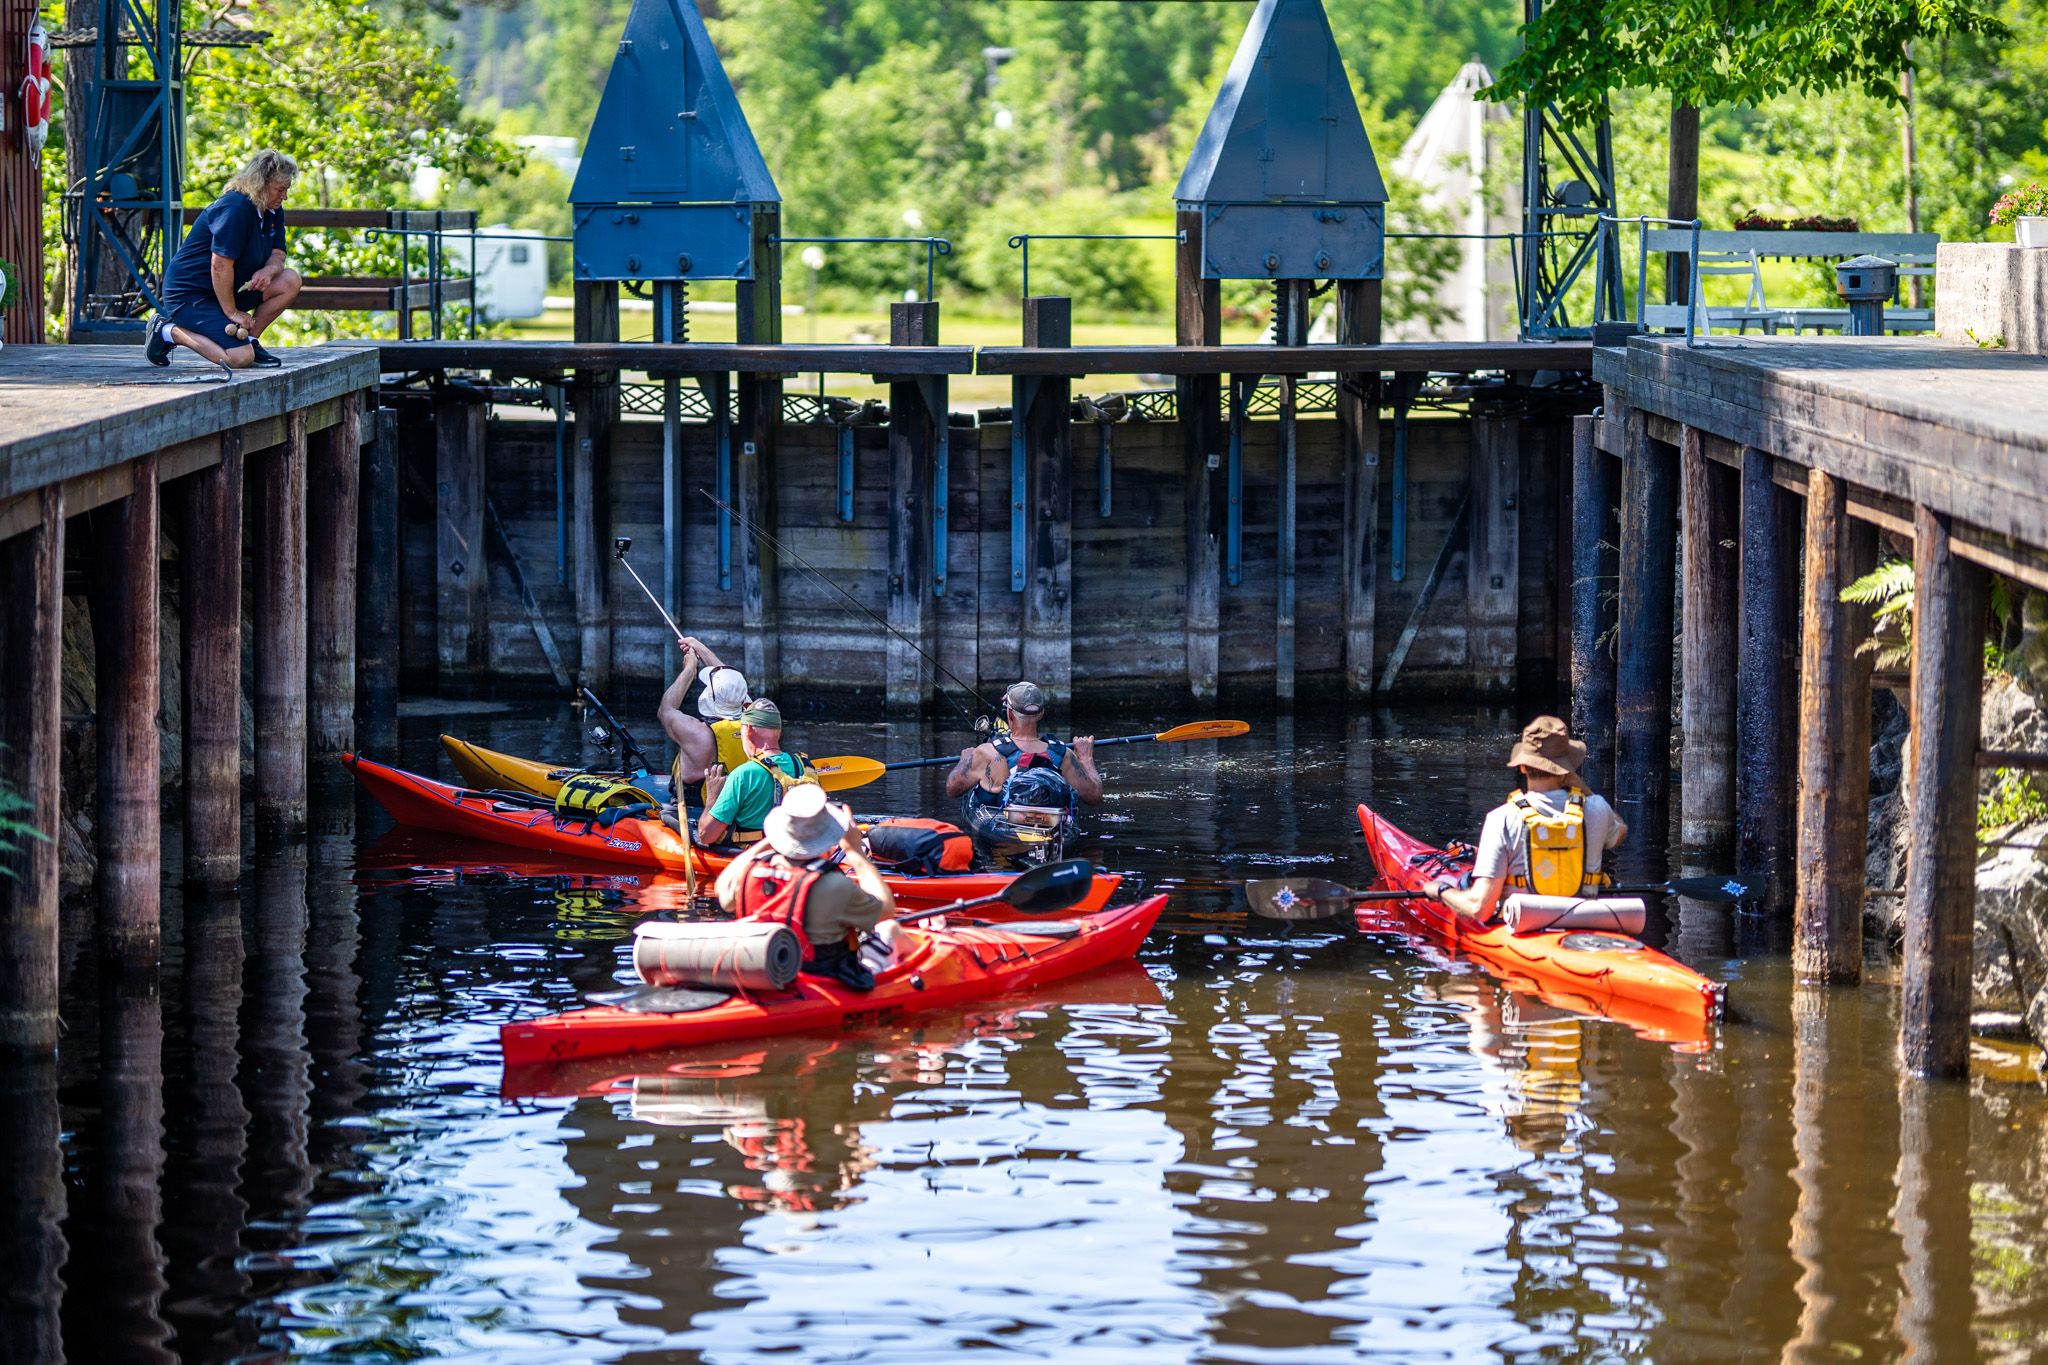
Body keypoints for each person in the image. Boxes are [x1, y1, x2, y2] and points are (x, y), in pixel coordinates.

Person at [1429, 715, 1627, 925]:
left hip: (1523, 927)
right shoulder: (1598, 808)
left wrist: (1440, 890)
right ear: (1566, 768)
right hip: (1583, 922)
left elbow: (1480, 908)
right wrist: (1580, 786)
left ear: (1522, 766)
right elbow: (1620, 831)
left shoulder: (1502, 817)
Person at [716, 784, 900, 991]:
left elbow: (723, 894)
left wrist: (771, 841)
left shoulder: (749, 872)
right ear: (827, 832)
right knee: (891, 930)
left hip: (763, 971)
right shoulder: (835, 885)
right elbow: (886, 910)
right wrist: (856, 852)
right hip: (818, 980)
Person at [147, 149, 303, 372]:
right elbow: (219, 266)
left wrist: (268, 271)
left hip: (223, 292)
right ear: (260, 183)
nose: (284, 196)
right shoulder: (235, 208)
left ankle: (249, 340)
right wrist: (232, 313)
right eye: (280, 189)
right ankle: (167, 331)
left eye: (286, 189)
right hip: (190, 296)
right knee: (239, 359)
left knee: (289, 279)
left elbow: (278, 254)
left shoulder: (272, 209)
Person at [944, 681, 1103, 814]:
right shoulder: (1063, 754)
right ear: (1041, 714)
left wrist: (965, 760)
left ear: (1010, 714)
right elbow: (1094, 796)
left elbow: (952, 789)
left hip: (1005, 836)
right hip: (1050, 828)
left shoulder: (986, 753)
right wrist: (1086, 758)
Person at [696, 698, 818, 847]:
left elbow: (706, 836)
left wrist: (712, 799)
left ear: (747, 729)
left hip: (754, 856)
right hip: (801, 848)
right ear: (778, 732)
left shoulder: (743, 774)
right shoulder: (805, 766)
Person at [656, 635, 751, 794]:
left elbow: (666, 709)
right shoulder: (752, 725)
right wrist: (698, 646)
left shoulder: (695, 732)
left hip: (698, 803)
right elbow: (732, 683)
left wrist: (689, 669)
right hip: (734, 799)